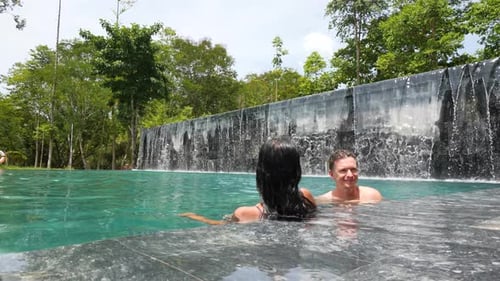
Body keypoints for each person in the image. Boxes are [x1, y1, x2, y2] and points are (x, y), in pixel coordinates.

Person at [180, 136, 317, 224]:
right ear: (296, 171)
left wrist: (197, 217)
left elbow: (221, 226)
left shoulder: (245, 213)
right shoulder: (306, 197)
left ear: (261, 173)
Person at [315, 149, 382, 204]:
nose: (350, 175)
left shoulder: (373, 196)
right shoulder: (323, 202)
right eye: (343, 170)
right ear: (331, 174)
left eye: (353, 170)